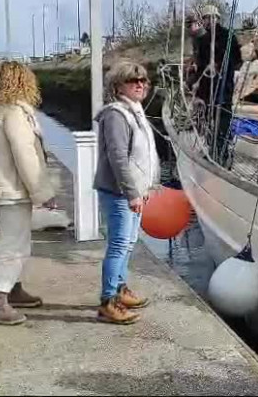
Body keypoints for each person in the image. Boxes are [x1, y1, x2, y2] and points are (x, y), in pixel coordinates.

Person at [0, 62, 57, 325]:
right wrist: (42, 192)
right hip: (13, 188)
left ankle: (13, 287)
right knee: (13, 243)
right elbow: (26, 156)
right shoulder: (15, 112)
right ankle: (0, 299)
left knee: (15, 240)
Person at [94, 61, 160, 325]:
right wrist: (132, 192)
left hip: (134, 190)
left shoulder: (135, 111)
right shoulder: (115, 114)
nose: (140, 85)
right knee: (119, 244)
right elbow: (118, 158)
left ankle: (120, 289)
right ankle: (107, 301)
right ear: (118, 85)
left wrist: (148, 186)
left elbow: (145, 156)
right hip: (119, 191)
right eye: (134, 81)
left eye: (143, 80)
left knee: (129, 242)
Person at [189, 4, 242, 166]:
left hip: (221, 86)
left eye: (212, 18)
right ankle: (214, 151)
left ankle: (222, 154)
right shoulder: (204, 38)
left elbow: (236, 60)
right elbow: (200, 61)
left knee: (222, 120)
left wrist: (219, 66)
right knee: (211, 121)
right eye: (207, 18)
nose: (209, 21)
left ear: (217, 18)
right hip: (208, 87)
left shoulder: (225, 36)